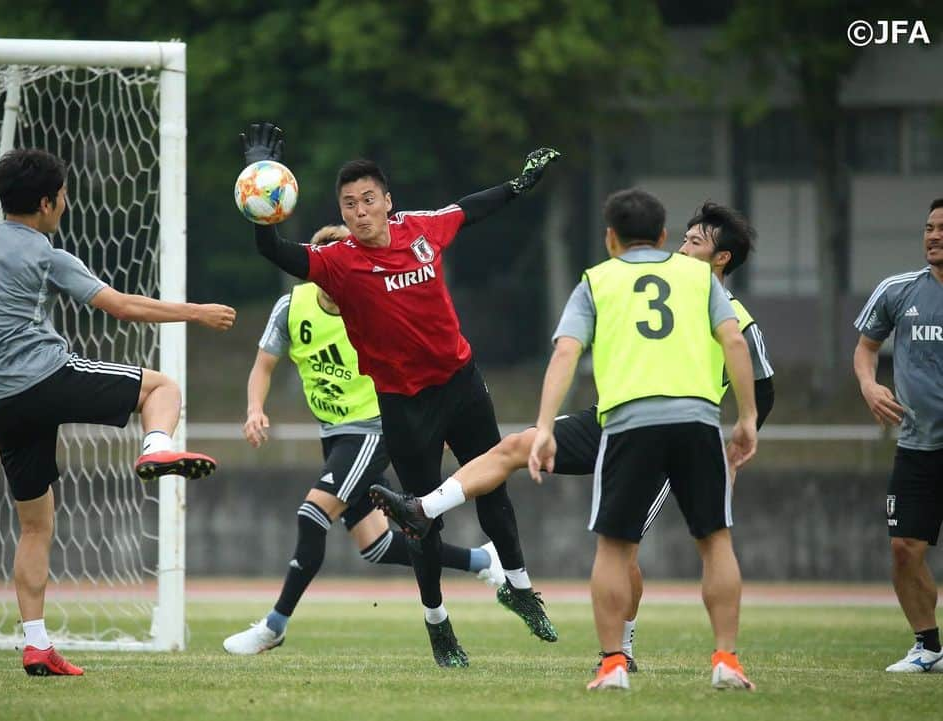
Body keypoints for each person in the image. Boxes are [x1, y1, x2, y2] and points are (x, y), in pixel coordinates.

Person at [374, 202, 775, 672]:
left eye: (696, 242)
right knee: (512, 447)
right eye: (682, 238)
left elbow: (761, 381)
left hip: (674, 430)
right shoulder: (636, 282)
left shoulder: (718, 305)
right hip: (613, 417)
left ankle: (623, 651)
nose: (684, 247)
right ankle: (423, 509)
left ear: (722, 259)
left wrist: (745, 428)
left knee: (626, 552)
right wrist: (544, 426)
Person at [239, 122, 559, 667]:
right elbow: (271, 248)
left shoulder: (422, 229)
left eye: (369, 199)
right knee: (421, 521)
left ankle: (523, 590)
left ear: (387, 201)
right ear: (341, 215)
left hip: (461, 384)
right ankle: (438, 625)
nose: (360, 210)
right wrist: (257, 180)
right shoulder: (336, 265)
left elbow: (471, 208)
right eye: (349, 204)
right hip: (403, 407)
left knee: (493, 491)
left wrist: (520, 183)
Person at [0, 148, 235, 676]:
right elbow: (123, 307)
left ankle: (36, 644)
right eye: (62, 196)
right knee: (162, 389)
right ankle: (156, 449)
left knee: (35, 526)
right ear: (46, 202)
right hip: (46, 377)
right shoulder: (45, 251)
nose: (65, 204)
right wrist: (196, 312)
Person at [223, 225, 505, 655]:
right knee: (377, 545)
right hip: (335, 435)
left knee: (311, 515)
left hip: (374, 430)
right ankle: (483, 561)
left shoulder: (374, 302)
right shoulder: (290, 308)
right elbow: (263, 366)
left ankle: (274, 625)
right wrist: (254, 410)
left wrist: (437, 421)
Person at [535, 188, 757, 690]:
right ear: (662, 236)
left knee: (614, 547)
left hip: (629, 423)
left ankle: (613, 663)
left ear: (610, 238)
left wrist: (545, 427)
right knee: (715, 540)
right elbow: (734, 339)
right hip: (698, 420)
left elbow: (566, 352)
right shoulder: (700, 277)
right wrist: (745, 418)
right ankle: (726, 657)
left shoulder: (597, 280)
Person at [853, 197, 943, 673]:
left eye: (942, 228)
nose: (933, 235)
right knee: (904, 548)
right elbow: (866, 348)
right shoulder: (898, 289)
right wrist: (869, 385)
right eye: (929, 227)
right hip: (917, 447)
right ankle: (928, 646)